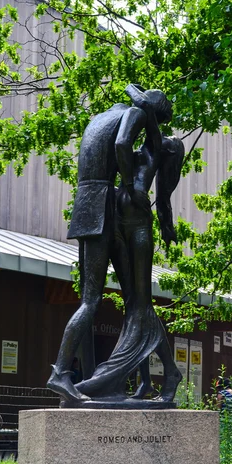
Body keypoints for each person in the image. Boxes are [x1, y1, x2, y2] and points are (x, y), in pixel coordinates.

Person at [47, 85, 173, 403]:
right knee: (93, 302)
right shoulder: (134, 114)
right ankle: (60, 374)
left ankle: (126, 379)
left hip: (90, 205)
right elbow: (121, 145)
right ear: (152, 115)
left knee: (134, 303)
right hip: (104, 207)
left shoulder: (102, 117)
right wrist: (130, 187)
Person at [76, 88, 184, 402]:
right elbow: (135, 129)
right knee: (132, 306)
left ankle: (169, 373)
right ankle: (145, 381)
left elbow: (147, 125)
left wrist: (141, 101)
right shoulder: (143, 144)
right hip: (117, 223)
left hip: (137, 227)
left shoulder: (160, 148)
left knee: (141, 304)